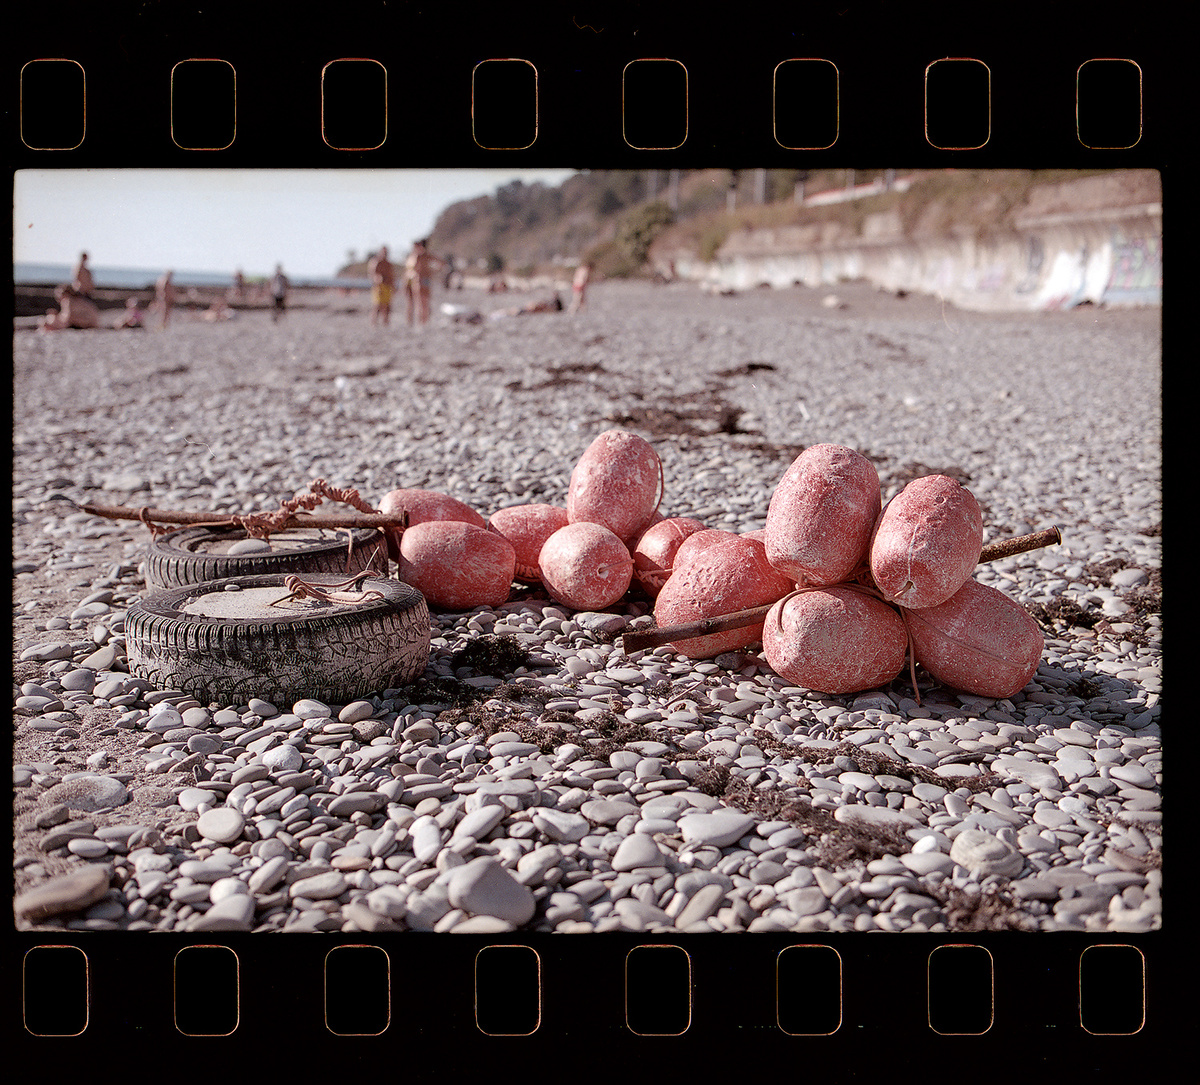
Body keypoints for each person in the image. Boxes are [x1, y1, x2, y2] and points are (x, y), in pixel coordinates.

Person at [403, 239, 443, 326]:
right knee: (416, 303)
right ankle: (417, 322)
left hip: (420, 280)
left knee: (422, 302)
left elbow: (440, 263)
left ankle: (422, 322)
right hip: (416, 280)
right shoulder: (415, 256)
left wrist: (431, 271)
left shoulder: (420, 256)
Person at [367, 246, 396, 325]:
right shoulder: (376, 262)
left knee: (387, 306)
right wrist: (378, 282)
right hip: (379, 286)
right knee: (377, 306)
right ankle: (374, 323)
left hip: (387, 286)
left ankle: (386, 322)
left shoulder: (388, 263)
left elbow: (391, 276)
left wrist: (393, 286)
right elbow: (373, 274)